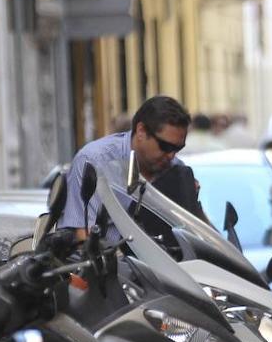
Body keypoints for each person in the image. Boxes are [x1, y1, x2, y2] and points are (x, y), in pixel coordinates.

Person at [60, 95, 191, 238]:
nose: (171, 156)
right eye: (165, 146)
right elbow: (83, 234)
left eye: (177, 149)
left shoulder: (176, 170)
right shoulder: (93, 161)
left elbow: (190, 230)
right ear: (141, 131)